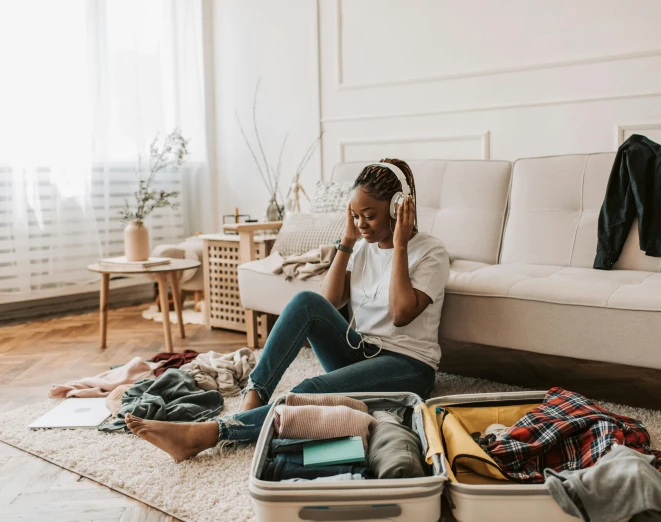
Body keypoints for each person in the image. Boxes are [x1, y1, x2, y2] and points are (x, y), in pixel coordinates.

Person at [125, 159, 451, 461]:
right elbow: (328, 299)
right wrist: (347, 241)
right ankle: (255, 394)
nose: (361, 224)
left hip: (407, 366)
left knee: (308, 391)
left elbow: (400, 314)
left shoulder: (430, 252)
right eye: (354, 215)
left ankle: (208, 434)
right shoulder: (362, 246)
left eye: (369, 216)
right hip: (360, 351)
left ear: (397, 210)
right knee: (304, 302)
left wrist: (400, 244)